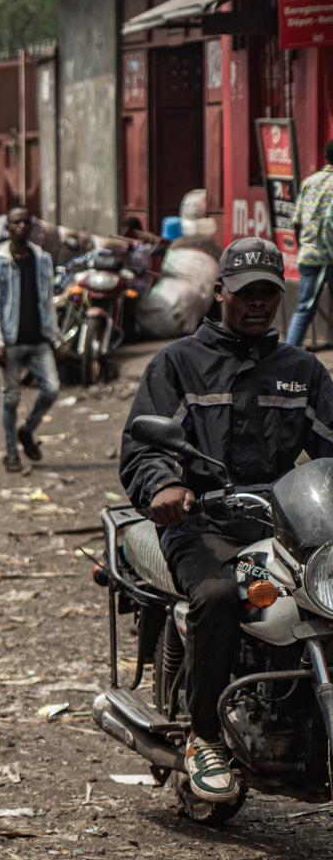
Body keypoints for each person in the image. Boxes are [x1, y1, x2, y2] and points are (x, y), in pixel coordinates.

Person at [120, 236, 333, 804]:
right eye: (245, 293)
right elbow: (142, 447)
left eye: (268, 292)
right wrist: (163, 485)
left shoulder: (302, 370)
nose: (257, 303)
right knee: (216, 595)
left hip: (282, 523)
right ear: (220, 294)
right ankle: (204, 736)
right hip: (201, 522)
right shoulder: (177, 363)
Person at [0, 205, 60, 473]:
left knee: (51, 388)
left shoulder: (42, 260)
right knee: (11, 398)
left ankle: (27, 431)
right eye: (16, 223)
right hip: (11, 340)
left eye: (27, 222)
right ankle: (11, 452)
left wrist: (54, 334)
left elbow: (48, 299)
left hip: (39, 339)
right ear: (8, 227)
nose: (22, 227)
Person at [286, 139, 333, 347]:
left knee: (304, 308)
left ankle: (288, 354)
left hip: (309, 255)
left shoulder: (309, 182)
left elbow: (296, 221)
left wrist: (303, 245)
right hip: (330, 257)